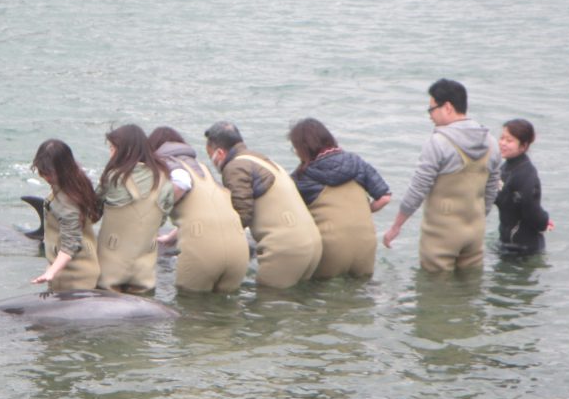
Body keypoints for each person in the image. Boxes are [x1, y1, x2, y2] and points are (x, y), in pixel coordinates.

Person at [383, 79, 501, 272]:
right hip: (475, 231)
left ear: (447, 107)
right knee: (471, 285)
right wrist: (479, 217)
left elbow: (418, 189)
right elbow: (491, 189)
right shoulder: (491, 142)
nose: (430, 115)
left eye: (431, 109)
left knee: (434, 288)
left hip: (442, 234)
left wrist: (396, 226)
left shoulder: (438, 142)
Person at [204, 121, 322, 288]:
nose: (212, 161)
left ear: (220, 153)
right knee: (296, 302)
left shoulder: (235, 167)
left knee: (268, 301)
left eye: (210, 156)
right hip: (313, 245)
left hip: (287, 249)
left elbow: (241, 215)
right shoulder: (261, 160)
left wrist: (210, 237)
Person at [148, 126, 249, 292]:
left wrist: (155, 213)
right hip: (239, 248)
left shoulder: (167, 161)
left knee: (189, 303)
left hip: (204, 250)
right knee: (227, 306)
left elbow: (182, 182)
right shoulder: (201, 168)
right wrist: (171, 238)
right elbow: (205, 210)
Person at [288, 118, 391, 278]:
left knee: (316, 290)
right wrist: (364, 210)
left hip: (330, 250)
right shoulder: (356, 162)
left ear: (303, 148)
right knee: (363, 290)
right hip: (366, 245)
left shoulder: (301, 177)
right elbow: (384, 197)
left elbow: (290, 218)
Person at [96, 124, 175, 293]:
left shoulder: (113, 177)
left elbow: (92, 212)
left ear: (123, 150)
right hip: (144, 272)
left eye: (112, 148)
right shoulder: (165, 180)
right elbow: (161, 220)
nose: (110, 153)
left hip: (109, 269)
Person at [29, 139, 102, 290]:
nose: (45, 177)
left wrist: (51, 272)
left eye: (49, 173)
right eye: (42, 171)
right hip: (71, 270)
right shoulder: (75, 183)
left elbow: (71, 244)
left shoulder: (68, 202)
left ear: (62, 169)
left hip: (75, 276)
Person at [495, 118, 553, 255]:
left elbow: (532, 210)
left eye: (509, 141)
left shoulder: (526, 174)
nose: (503, 143)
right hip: (507, 243)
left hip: (525, 250)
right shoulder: (506, 167)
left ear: (524, 146)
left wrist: (544, 221)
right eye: (502, 138)